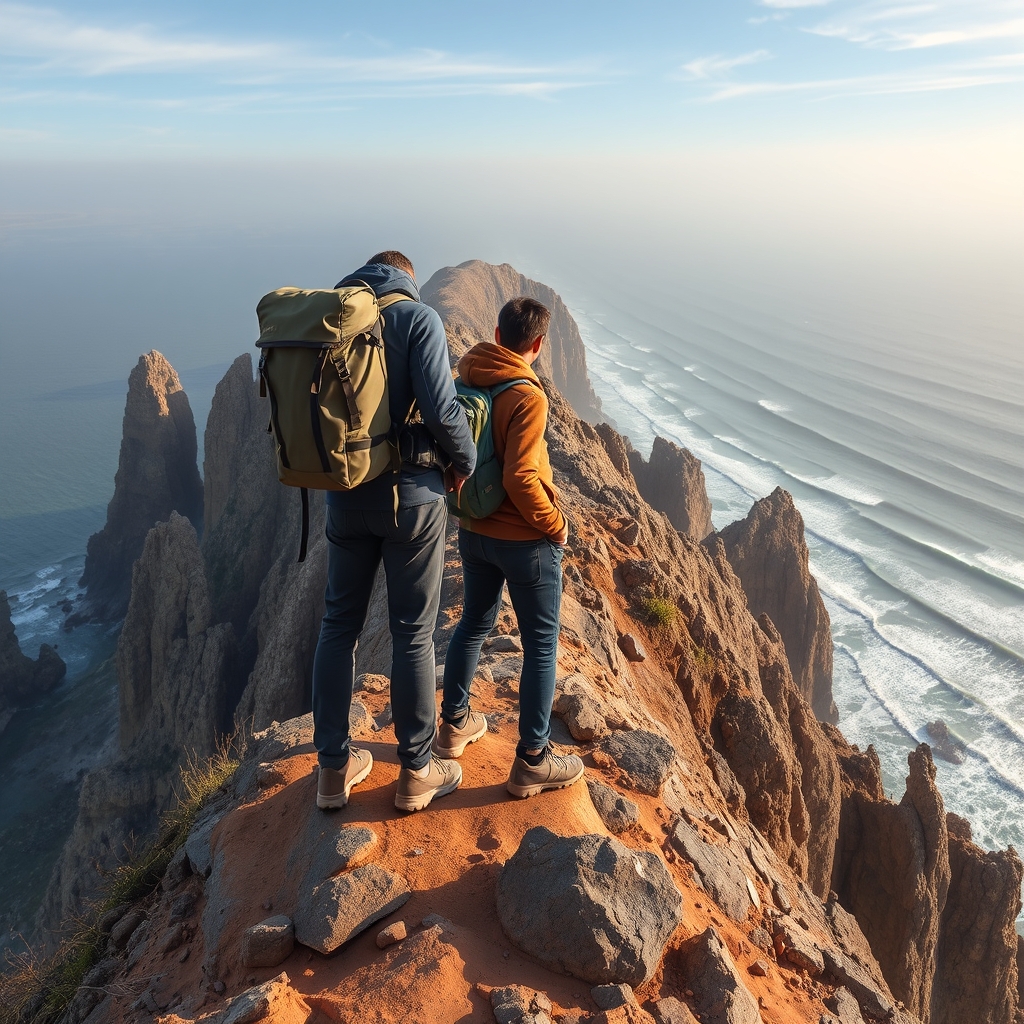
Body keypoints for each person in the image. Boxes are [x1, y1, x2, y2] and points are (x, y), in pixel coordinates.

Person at [312, 250, 476, 813]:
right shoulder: (416, 318)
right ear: (407, 277)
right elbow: (441, 407)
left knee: (338, 625)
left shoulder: (330, 316)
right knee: (411, 632)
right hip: (411, 500)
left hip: (344, 496)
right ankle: (415, 772)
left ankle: (332, 771)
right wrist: (466, 461)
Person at [437, 297, 585, 798]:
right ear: (538, 345)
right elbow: (522, 477)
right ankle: (533, 761)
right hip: (525, 543)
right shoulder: (528, 395)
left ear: (497, 333)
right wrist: (557, 526)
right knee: (541, 647)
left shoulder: (469, 376)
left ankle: (453, 725)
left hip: (474, 530)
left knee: (473, 624)